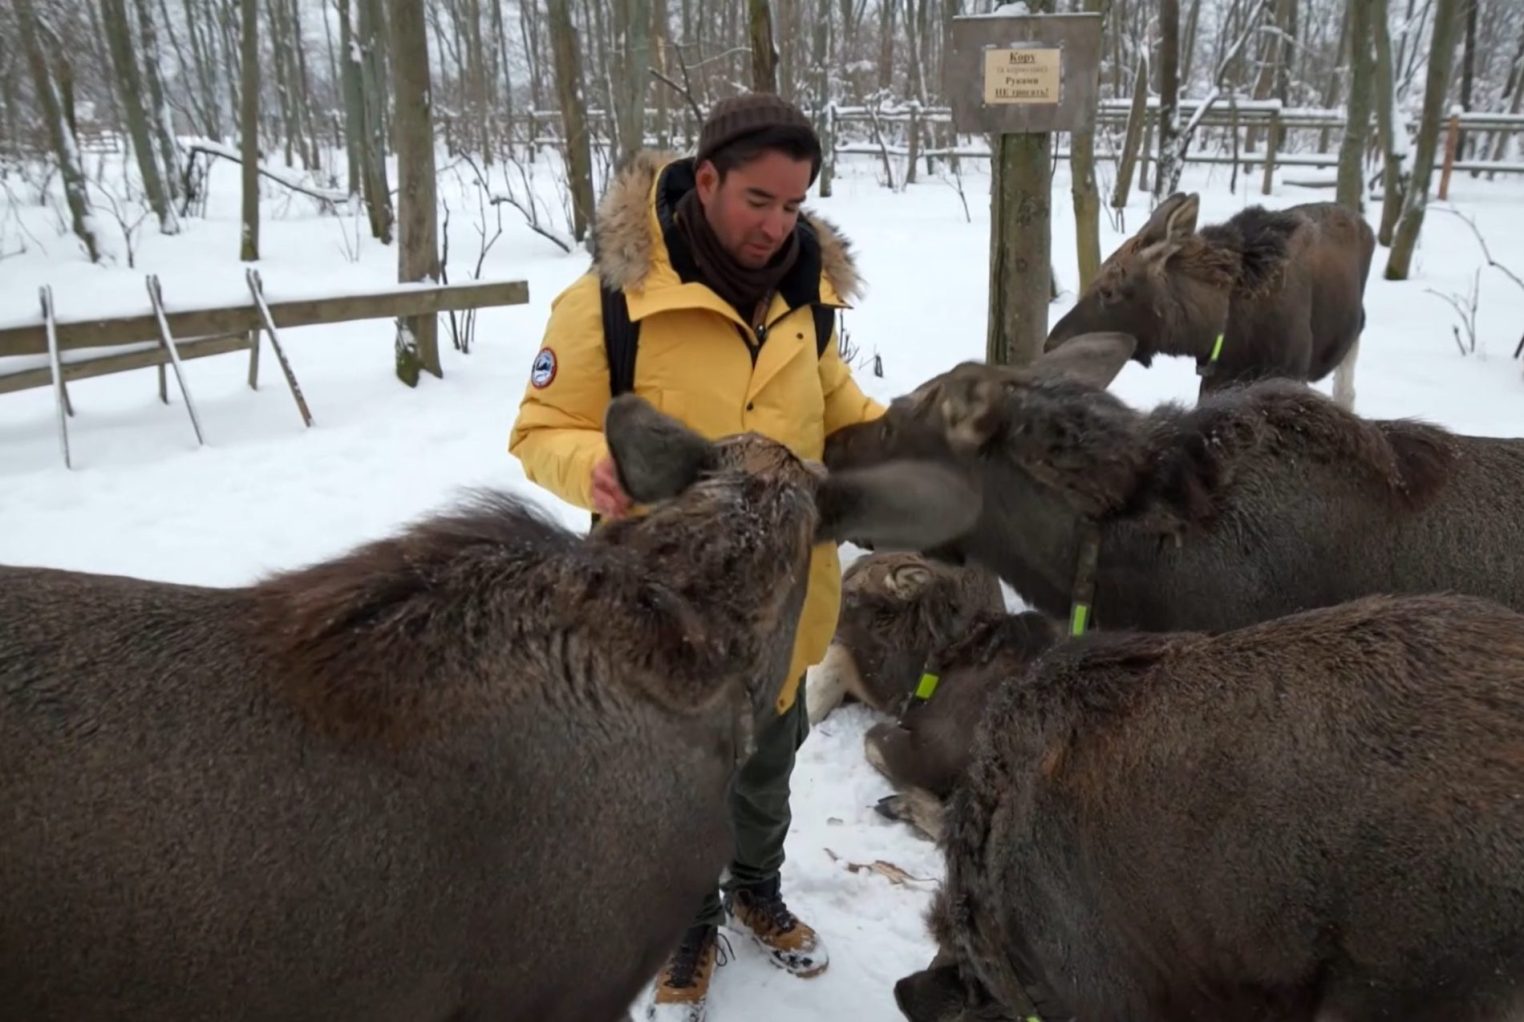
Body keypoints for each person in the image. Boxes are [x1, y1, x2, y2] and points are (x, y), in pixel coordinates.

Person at [507, 93, 884, 1021]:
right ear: (705, 178)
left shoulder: (809, 298)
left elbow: (843, 413)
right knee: (676, 787)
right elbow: (537, 428)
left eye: (795, 206)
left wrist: (930, 444)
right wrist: (590, 466)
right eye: (759, 200)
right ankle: (686, 920)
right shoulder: (609, 298)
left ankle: (757, 887)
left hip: (788, 609)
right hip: (661, 616)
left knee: (767, 770)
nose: (777, 226)